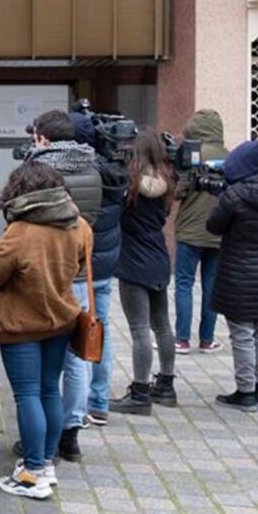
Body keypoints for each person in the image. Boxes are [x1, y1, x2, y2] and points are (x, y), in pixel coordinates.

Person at [0, 163, 90, 500]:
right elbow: (83, 264)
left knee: (27, 394)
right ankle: (45, 463)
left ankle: (31, 474)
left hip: (21, 324)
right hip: (62, 319)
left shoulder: (21, 230)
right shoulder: (79, 224)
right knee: (48, 390)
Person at [22, 108, 102, 461]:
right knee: (77, 358)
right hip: (79, 270)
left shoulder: (39, 169)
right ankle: (71, 430)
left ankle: (42, 434)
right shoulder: (92, 166)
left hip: (46, 271)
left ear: (43, 137)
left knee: (43, 361)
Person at [208, 140, 258, 412]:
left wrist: (221, 197)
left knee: (241, 333)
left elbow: (214, 226)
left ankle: (245, 392)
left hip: (238, 272)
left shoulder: (235, 195)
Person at [109, 131, 177, 416]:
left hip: (134, 263)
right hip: (159, 259)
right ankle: (166, 385)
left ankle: (139, 392)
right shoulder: (168, 183)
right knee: (162, 325)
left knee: (139, 331)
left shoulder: (129, 186)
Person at [72, 112, 126, 429]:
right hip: (106, 261)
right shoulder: (114, 171)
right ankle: (99, 402)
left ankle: (78, 406)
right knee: (99, 328)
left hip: (82, 263)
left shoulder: (81, 171)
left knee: (76, 334)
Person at [174, 109, 228, 354]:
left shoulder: (190, 154)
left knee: (184, 283)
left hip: (190, 230)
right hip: (218, 231)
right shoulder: (229, 156)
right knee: (211, 284)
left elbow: (178, 192)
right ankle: (207, 340)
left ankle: (182, 339)